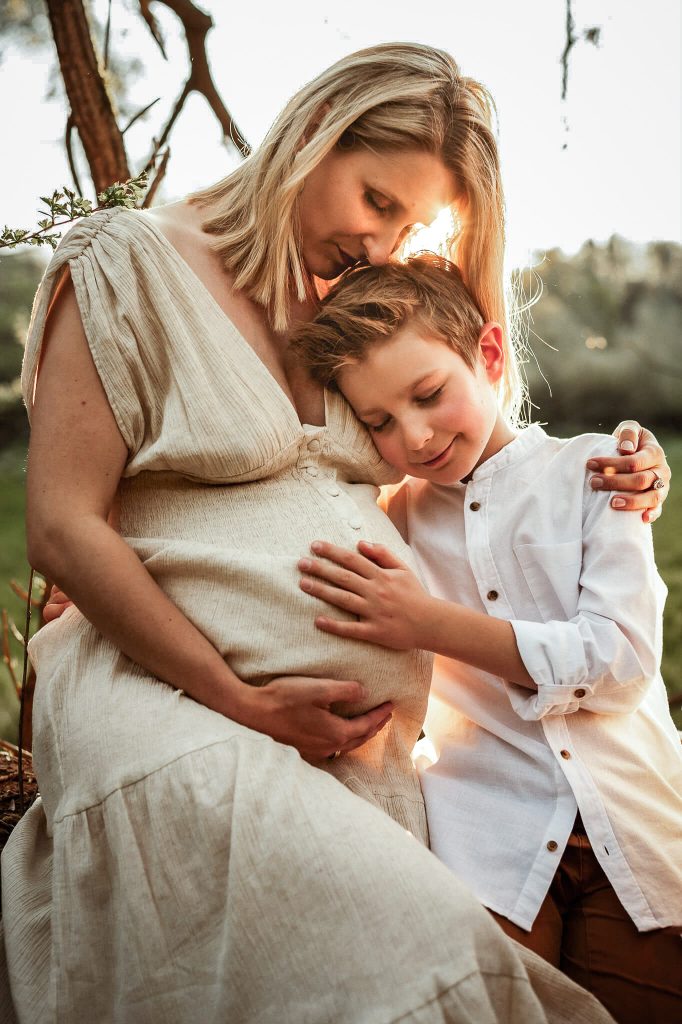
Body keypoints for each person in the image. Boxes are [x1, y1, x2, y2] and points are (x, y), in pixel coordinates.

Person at [0, 42, 668, 1024]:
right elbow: (61, 526)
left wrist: (617, 465)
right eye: (377, 200)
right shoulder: (129, 260)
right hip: (171, 701)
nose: (386, 241)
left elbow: (484, 472)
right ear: (313, 135)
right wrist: (244, 698)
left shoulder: (359, 314)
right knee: (411, 952)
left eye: (414, 221)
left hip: (357, 747)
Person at [291, 253, 682, 1024]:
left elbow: (622, 662)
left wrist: (433, 624)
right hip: (489, 837)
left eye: (429, 394)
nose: (415, 435)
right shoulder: (388, 521)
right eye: (379, 422)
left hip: (638, 829)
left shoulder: (598, 472)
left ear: (491, 355)